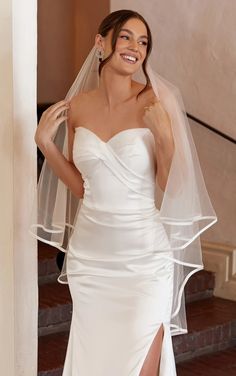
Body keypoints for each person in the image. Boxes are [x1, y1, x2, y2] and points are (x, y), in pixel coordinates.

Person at [31, 9, 217, 376]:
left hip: (144, 260)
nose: (135, 47)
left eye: (143, 42)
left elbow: (172, 187)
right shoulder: (79, 107)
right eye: (127, 37)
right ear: (101, 43)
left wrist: (164, 137)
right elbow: (83, 187)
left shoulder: (157, 102)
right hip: (91, 260)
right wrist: (45, 144)